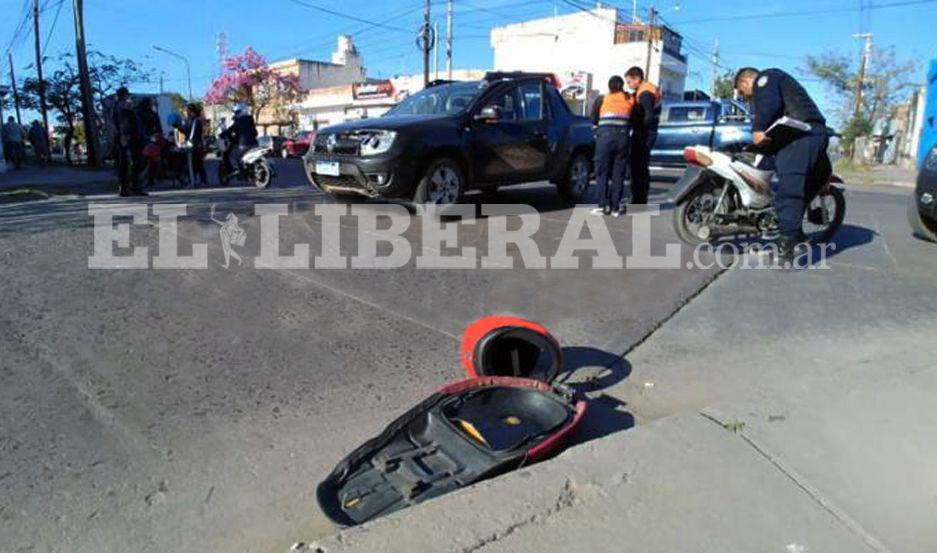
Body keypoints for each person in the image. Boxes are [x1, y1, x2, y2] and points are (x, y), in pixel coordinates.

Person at [734, 67, 831, 267]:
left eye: (744, 93)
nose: (747, 98)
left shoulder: (766, 78)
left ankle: (786, 246)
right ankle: (795, 228)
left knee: (790, 190)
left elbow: (769, 102)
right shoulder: (783, 83)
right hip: (818, 135)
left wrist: (758, 128)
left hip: (797, 136)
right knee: (818, 178)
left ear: (745, 82)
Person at [589, 75, 633, 217]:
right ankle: (615, 208)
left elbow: (593, 119)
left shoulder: (602, 99)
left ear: (609, 87)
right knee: (618, 173)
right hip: (623, 138)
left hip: (605, 139)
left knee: (602, 172)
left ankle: (603, 206)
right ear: (622, 86)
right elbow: (634, 118)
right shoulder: (629, 99)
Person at [624, 67, 661, 206]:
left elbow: (648, 115)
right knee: (640, 166)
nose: (629, 85)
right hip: (646, 133)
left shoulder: (645, 93)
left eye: (629, 82)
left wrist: (638, 127)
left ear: (637, 79)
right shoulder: (646, 89)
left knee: (638, 166)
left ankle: (639, 199)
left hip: (644, 134)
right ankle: (639, 199)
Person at [113, 87, 147, 196]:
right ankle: (131, 187)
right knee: (132, 163)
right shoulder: (122, 107)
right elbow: (125, 124)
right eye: (127, 95)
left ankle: (127, 187)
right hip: (129, 139)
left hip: (126, 138)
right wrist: (126, 137)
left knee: (127, 164)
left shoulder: (119, 107)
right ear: (124, 95)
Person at [219, 103, 258, 176]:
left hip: (243, 144)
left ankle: (237, 169)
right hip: (255, 144)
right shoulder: (250, 120)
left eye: (236, 112)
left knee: (233, 156)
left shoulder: (238, 121)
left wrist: (221, 135)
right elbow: (256, 133)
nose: (235, 114)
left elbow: (230, 130)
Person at [184, 103, 208, 187]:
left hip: (193, 145)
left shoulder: (195, 120)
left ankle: (192, 181)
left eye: (187, 110)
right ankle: (203, 180)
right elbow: (186, 131)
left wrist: (189, 142)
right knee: (198, 163)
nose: (186, 112)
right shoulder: (192, 120)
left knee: (191, 164)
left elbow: (191, 133)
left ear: (191, 111)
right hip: (197, 144)